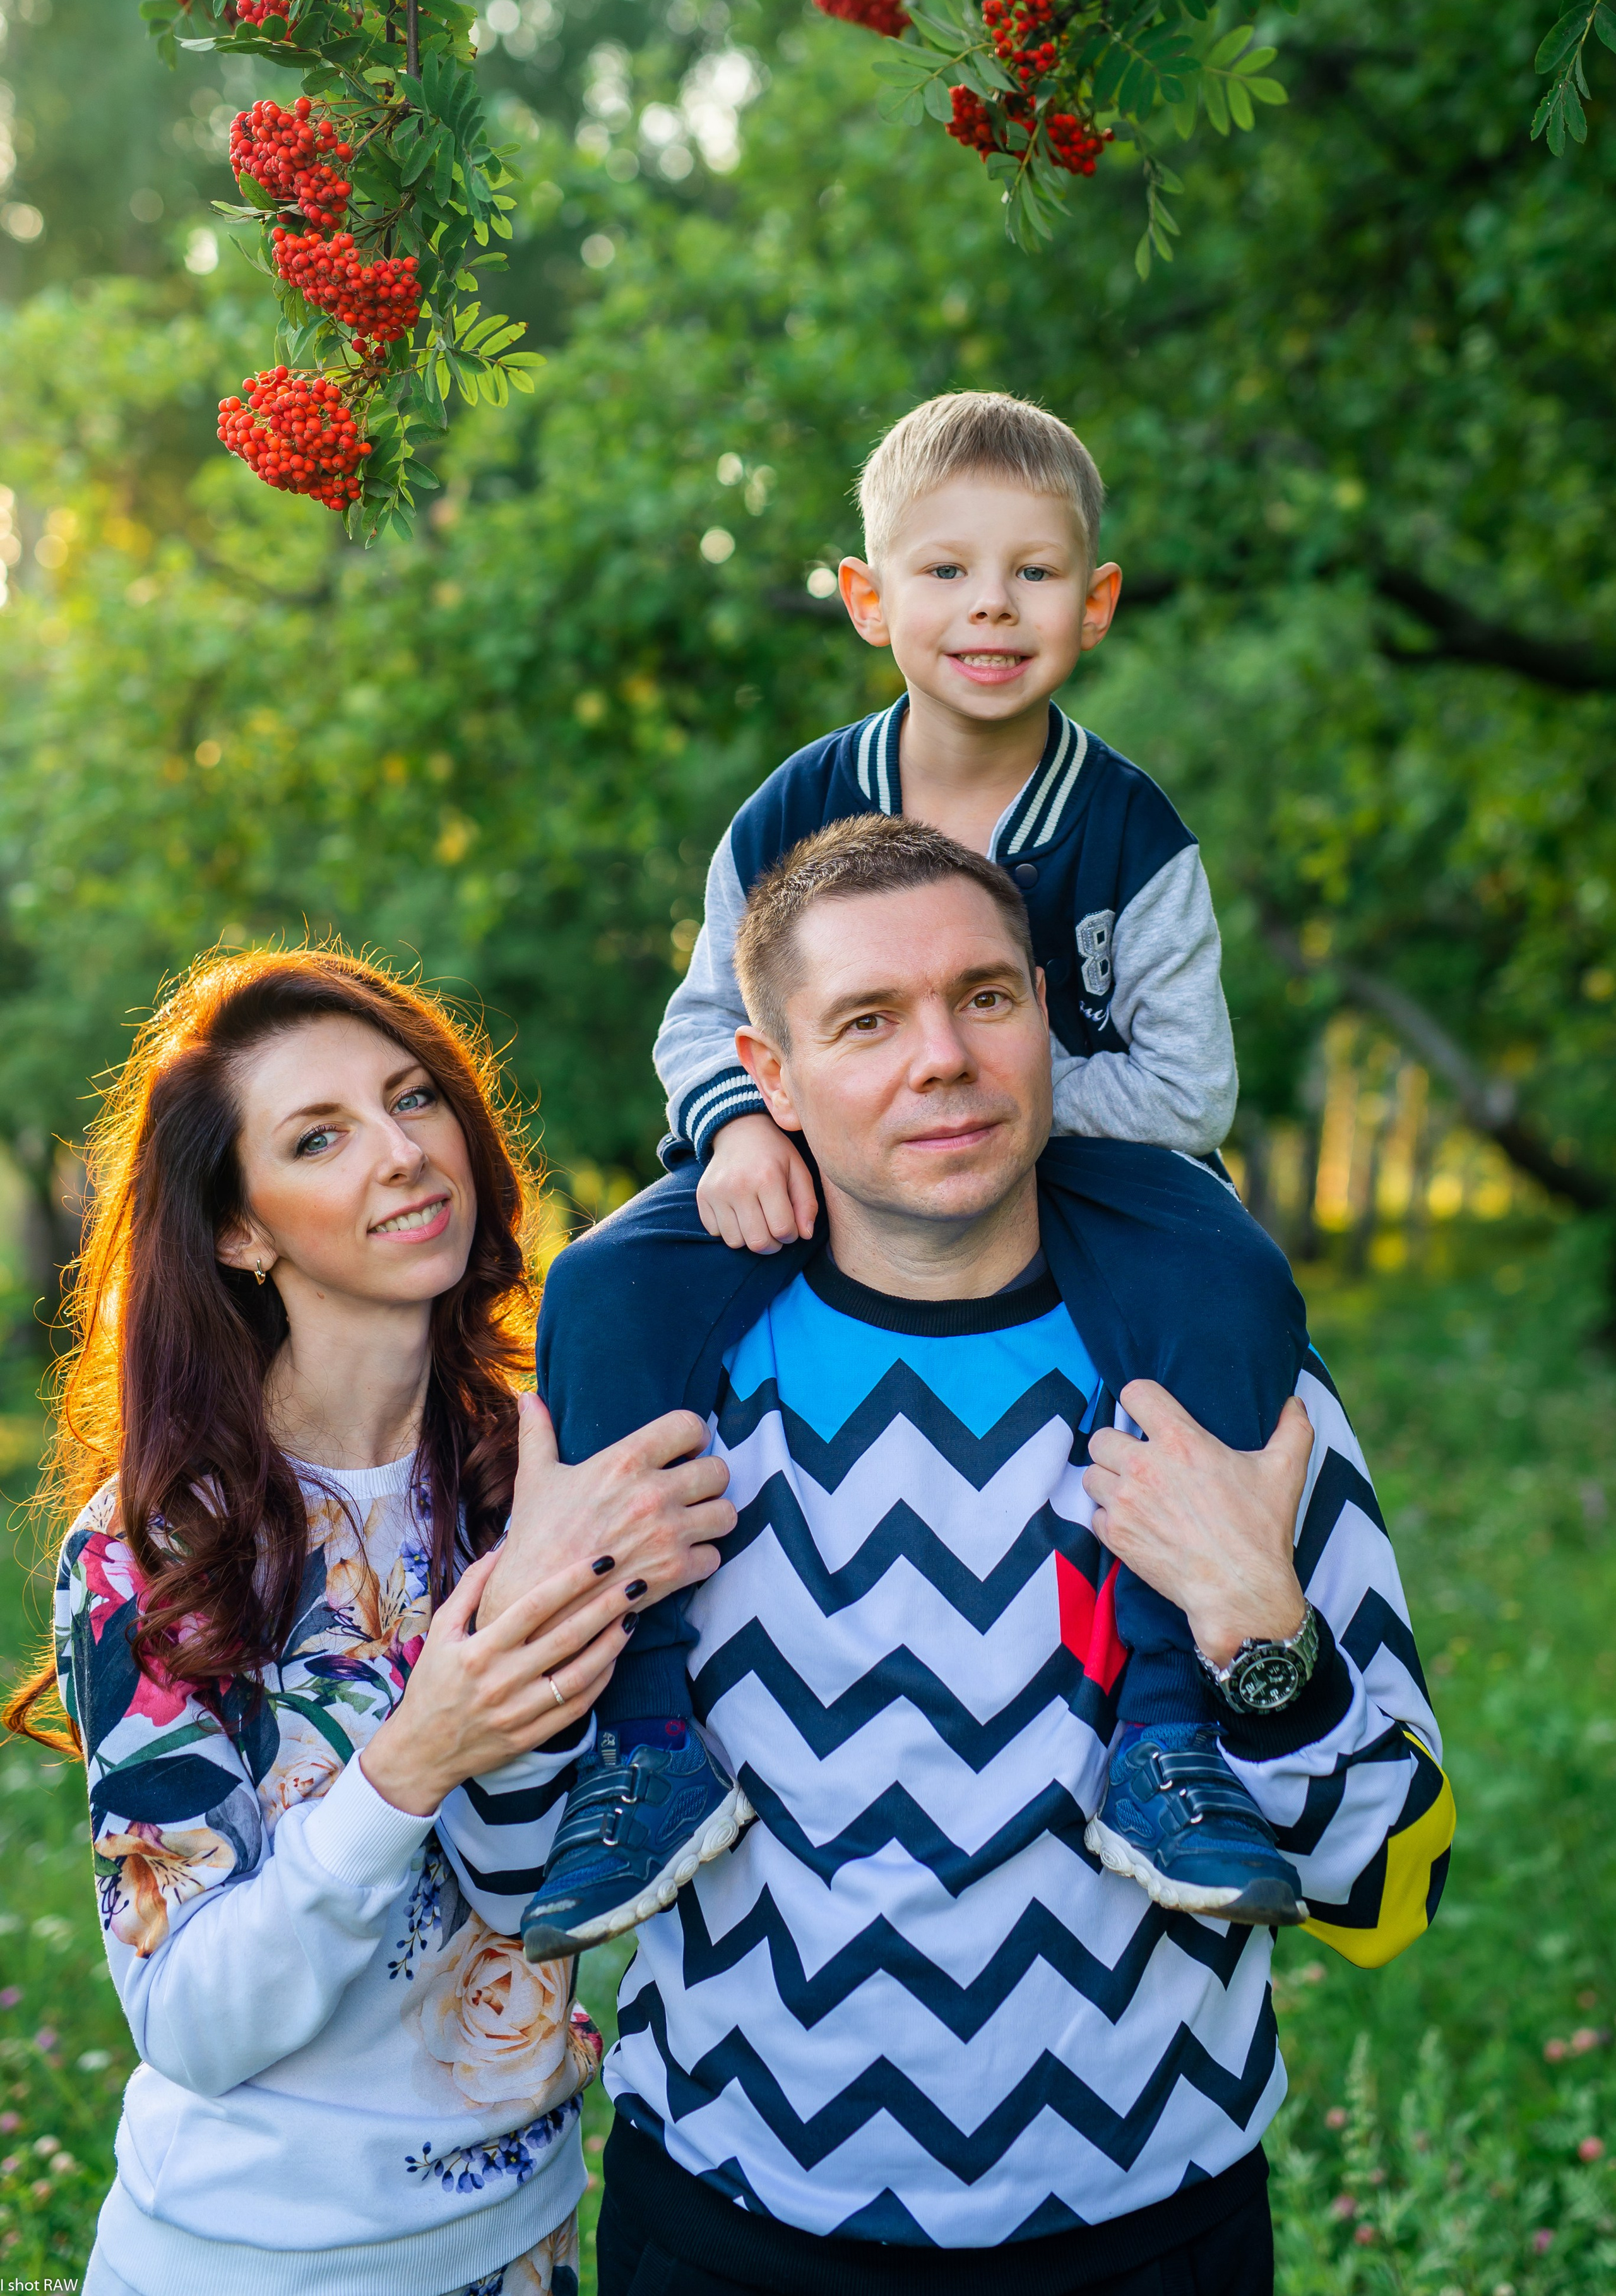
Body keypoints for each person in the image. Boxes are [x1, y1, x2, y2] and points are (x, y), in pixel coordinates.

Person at [502, 821, 1453, 2293]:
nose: (939, 1058)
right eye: (866, 1021)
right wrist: (535, 1625)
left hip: (1150, 2228)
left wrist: (1253, 1615)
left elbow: (1388, 1892)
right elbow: (512, 1871)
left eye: (984, 998)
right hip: (724, 2220)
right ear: (768, 1080)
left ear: (1040, 1025)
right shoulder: (651, 1408)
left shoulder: (1220, 1387)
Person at [528, 388, 1285, 1948]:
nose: (987, 610)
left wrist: (986, 1101)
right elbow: (700, 1023)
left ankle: (1164, 1726)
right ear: (870, 600)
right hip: (816, 1150)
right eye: (942, 573)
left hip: (1091, 1159)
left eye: (1028, 573)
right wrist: (742, 1126)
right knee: (604, 1286)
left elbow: (1187, 1082)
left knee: (1228, 1273)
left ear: (1095, 602)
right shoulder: (798, 804)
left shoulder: (1131, 832)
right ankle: (647, 1734)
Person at [4, 948, 734, 2296]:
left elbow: (537, 1898)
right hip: (248, 2264)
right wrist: (413, 1756)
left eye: (413, 1099)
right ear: (241, 1230)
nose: (400, 1153)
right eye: (321, 1137)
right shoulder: (157, 1548)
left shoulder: (551, 1475)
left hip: (524, 2243)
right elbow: (195, 2020)